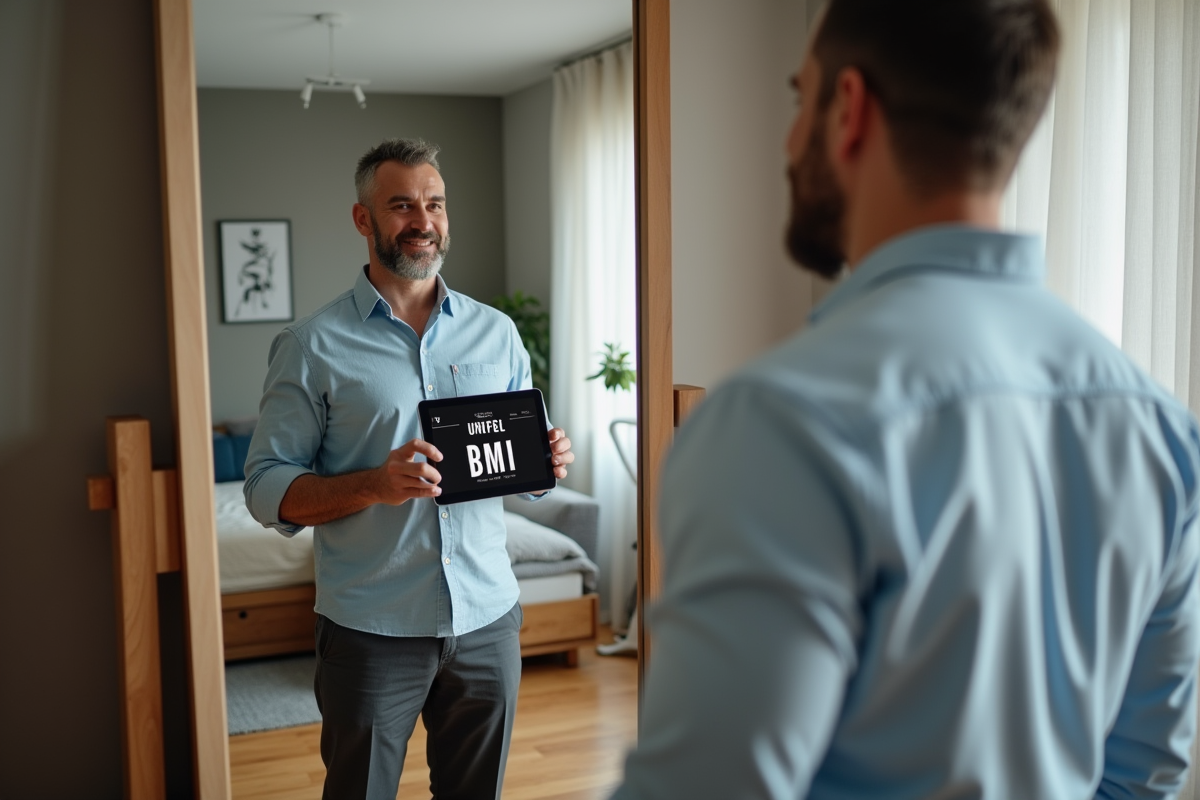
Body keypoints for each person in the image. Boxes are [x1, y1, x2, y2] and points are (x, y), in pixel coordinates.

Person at [611, 1, 1200, 798]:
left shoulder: (780, 420)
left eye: (799, 99)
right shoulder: (1159, 429)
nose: (788, 142)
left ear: (848, 109)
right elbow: (1141, 774)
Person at [243, 138, 574, 800]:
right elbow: (264, 490)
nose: (423, 221)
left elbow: (515, 468)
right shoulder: (311, 346)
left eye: (435, 204)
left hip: (487, 618)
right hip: (372, 631)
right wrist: (375, 483)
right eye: (401, 206)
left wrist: (543, 464)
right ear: (364, 219)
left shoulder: (497, 333)